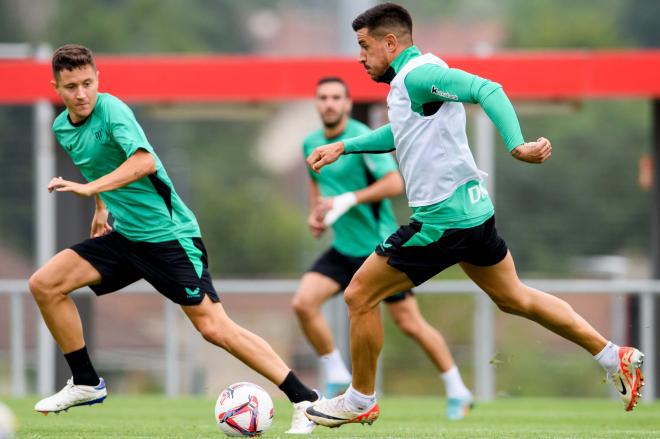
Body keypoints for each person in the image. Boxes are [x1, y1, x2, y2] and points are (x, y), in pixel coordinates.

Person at [304, 3, 644, 428]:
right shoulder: (410, 82)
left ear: (390, 43)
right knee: (513, 297)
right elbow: (403, 131)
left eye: (364, 45)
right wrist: (345, 146)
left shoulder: (420, 75)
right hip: (474, 214)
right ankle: (614, 355)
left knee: (358, 295)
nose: (360, 56)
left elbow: (489, 89)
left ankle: (359, 399)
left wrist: (516, 145)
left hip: (442, 221)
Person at [30, 44, 318, 435]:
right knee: (45, 284)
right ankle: (85, 382)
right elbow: (97, 162)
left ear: (98, 79)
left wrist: (90, 188)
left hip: (168, 236)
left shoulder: (112, 110)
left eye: (86, 83)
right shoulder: (62, 126)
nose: (81, 94)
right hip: (125, 235)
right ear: (57, 87)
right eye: (71, 87)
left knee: (215, 328)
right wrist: (100, 206)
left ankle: (306, 400)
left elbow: (144, 161)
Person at [293, 76, 473, 420]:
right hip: (343, 248)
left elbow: (393, 183)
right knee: (303, 303)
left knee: (409, 323)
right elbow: (316, 183)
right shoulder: (310, 143)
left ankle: (457, 388)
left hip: (378, 247)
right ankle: (336, 376)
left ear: (347, 104)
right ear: (316, 104)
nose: (329, 103)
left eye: (336, 98)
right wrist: (317, 214)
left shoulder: (359, 138)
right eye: (323, 98)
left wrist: (347, 200)